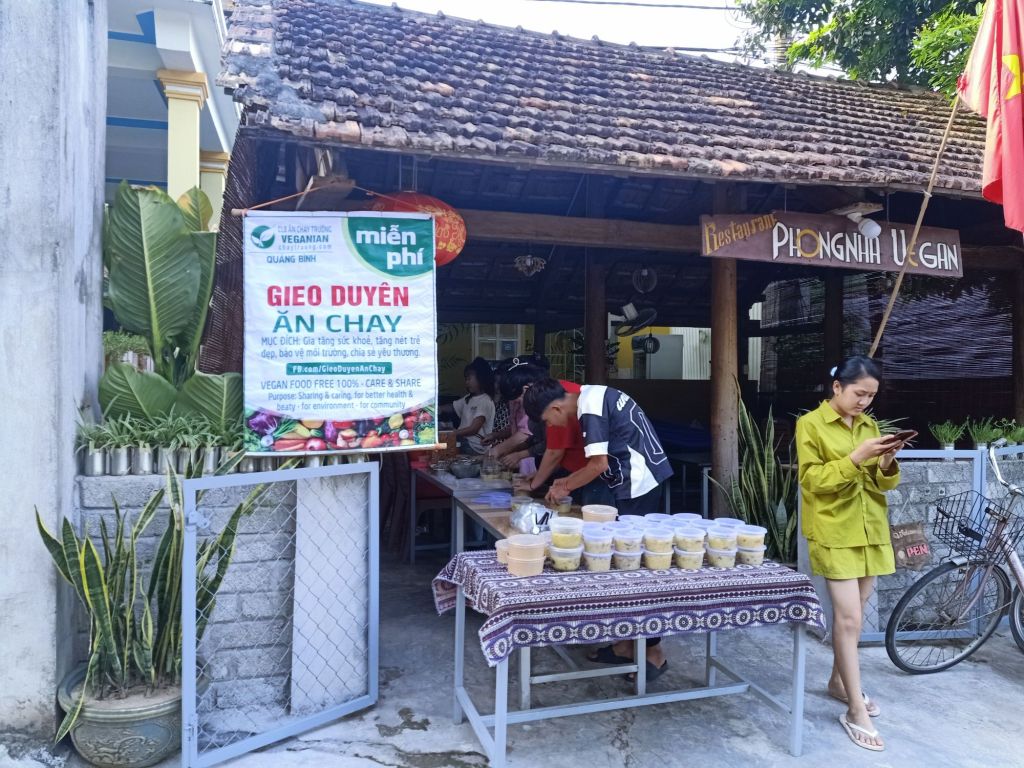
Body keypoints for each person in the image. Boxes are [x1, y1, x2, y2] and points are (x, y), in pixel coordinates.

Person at [524, 377, 673, 677]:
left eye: (547, 421)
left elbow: (598, 465)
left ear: (556, 408)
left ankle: (653, 650)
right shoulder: (592, 396)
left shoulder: (590, 409)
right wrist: (566, 481)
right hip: (635, 480)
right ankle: (625, 644)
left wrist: (564, 485)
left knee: (634, 568)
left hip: (638, 484)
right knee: (623, 564)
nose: (551, 426)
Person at [796, 356, 905, 753]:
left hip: (870, 528)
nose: (864, 402)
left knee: (854, 618)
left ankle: (838, 682)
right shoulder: (810, 424)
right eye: (860, 393)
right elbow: (812, 481)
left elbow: (881, 484)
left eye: (871, 396)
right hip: (834, 530)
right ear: (837, 386)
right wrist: (856, 458)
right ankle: (855, 709)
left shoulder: (869, 426)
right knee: (847, 618)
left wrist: (886, 462)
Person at [449, 357, 496, 455]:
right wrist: (437, 409)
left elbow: (473, 429)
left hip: (474, 446)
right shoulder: (468, 398)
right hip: (464, 441)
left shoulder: (485, 400)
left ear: (480, 379)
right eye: (466, 379)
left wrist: (451, 433)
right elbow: (452, 407)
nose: (466, 382)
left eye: (469, 379)